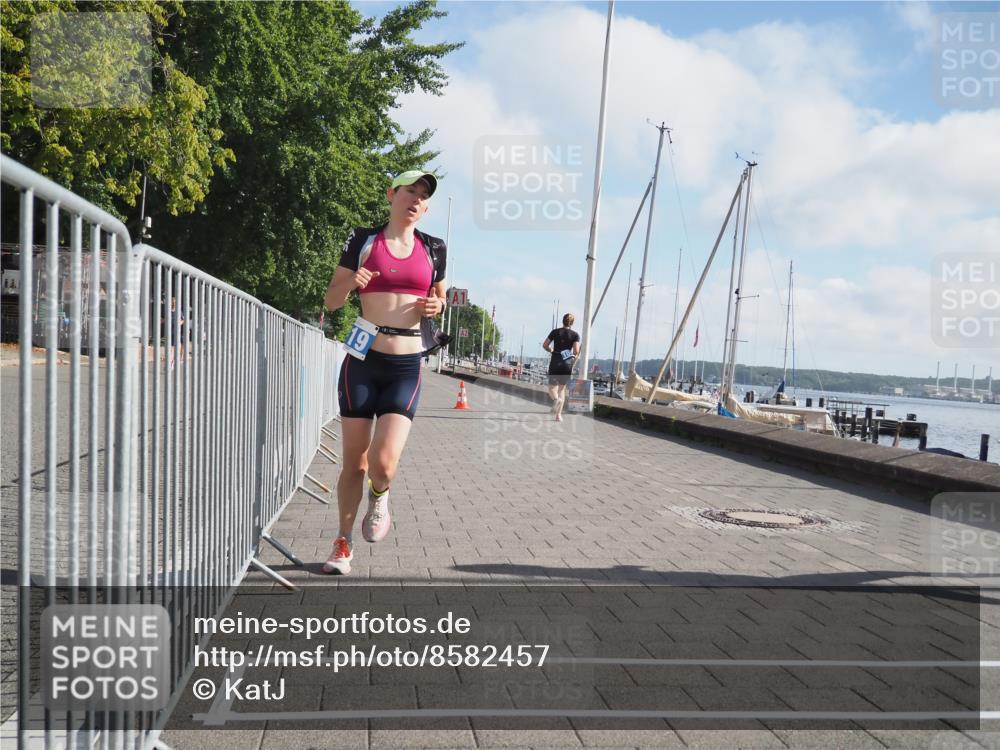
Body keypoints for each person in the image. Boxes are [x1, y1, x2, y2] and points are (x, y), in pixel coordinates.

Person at [321, 170, 447, 575]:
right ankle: (342, 543)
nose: (416, 200)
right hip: (361, 363)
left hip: (405, 365)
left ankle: (381, 496)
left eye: (423, 196)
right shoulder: (363, 240)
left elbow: (439, 295)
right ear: (392, 194)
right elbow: (332, 300)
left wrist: (437, 306)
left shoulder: (434, 248)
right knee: (354, 463)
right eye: (410, 191)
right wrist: (352, 284)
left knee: (384, 463)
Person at [542, 313, 580, 421]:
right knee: (562, 390)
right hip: (566, 363)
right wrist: (571, 356)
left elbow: (545, 345)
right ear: (572, 323)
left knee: (551, 388)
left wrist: (552, 350)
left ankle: (556, 400)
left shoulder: (555, 332)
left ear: (562, 321)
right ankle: (558, 415)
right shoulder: (575, 335)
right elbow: (576, 351)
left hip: (556, 361)